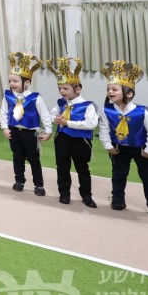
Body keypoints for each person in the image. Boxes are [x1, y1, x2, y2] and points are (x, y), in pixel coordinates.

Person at [98, 60, 148, 220]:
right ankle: (118, 200)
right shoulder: (107, 111)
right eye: (108, 89)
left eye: (114, 89)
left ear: (129, 94)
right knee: (118, 175)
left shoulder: (141, 113)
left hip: (141, 149)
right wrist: (108, 146)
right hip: (119, 149)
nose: (110, 92)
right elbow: (104, 129)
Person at [48, 57, 99, 208]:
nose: (61, 91)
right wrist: (55, 119)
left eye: (65, 89)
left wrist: (67, 123)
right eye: (60, 88)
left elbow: (91, 124)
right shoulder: (61, 103)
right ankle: (64, 193)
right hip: (62, 139)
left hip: (80, 141)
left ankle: (86, 195)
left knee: (82, 167)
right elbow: (51, 114)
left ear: (77, 89)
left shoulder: (88, 105)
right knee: (62, 166)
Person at [0, 52, 52, 196]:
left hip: (30, 133)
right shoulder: (8, 96)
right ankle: (19, 180)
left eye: (15, 81)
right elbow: (4, 112)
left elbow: (45, 115)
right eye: (10, 81)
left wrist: (48, 131)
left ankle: (38, 184)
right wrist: (4, 127)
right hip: (14, 131)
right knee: (17, 157)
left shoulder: (35, 98)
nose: (12, 84)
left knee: (34, 159)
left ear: (27, 83)